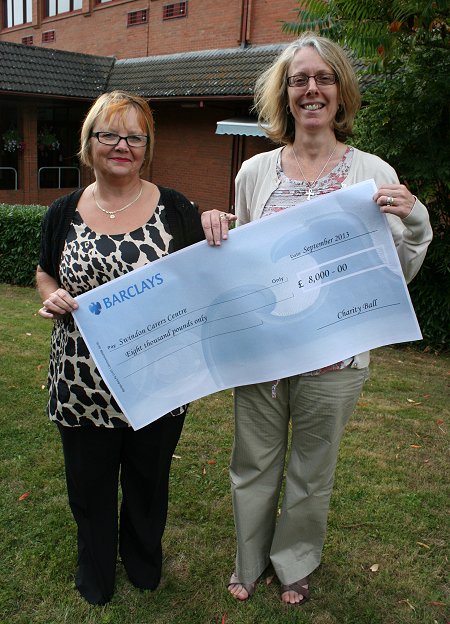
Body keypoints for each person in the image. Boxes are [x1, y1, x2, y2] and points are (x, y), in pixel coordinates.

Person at [201, 33, 432, 606]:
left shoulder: (372, 171)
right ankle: (249, 562)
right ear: (285, 93)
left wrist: (417, 223)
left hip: (337, 358)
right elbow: (247, 263)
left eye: (323, 78)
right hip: (265, 352)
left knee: (311, 469)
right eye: (300, 79)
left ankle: (295, 561)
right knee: (252, 463)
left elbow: (394, 274)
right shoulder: (254, 173)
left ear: (340, 92)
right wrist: (219, 231)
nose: (311, 89)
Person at [36, 90, 205, 605]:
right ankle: (96, 570)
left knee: (148, 482)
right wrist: (53, 295)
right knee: (88, 488)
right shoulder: (63, 211)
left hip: (157, 377)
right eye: (108, 134)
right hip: (80, 380)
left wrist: (217, 227)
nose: (121, 145)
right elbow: (45, 273)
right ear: (89, 143)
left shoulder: (177, 209)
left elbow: (205, 279)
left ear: (146, 145)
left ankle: (142, 561)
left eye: (134, 136)